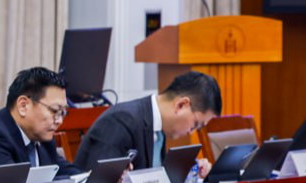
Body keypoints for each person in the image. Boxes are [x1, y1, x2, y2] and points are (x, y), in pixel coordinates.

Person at [74, 71, 221, 172]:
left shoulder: (158, 127)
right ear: (181, 105)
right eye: (195, 124)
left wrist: (186, 172)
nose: (191, 132)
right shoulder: (121, 121)